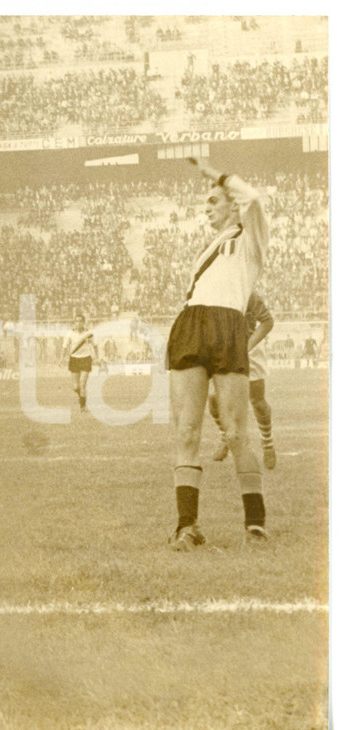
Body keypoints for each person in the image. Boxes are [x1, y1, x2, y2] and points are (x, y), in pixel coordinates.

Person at [166, 158, 269, 551]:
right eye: (206, 202)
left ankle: (255, 523)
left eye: (213, 201)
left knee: (236, 431)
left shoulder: (249, 236)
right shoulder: (205, 249)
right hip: (192, 325)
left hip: (227, 327)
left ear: (231, 203)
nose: (207, 208)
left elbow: (254, 197)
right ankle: (186, 527)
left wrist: (215, 173)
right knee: (188, 430)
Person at [208, 291, 276, 469]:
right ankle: (225, 437)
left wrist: (247, 346)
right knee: (214, 400)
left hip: (249, 350)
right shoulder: (214, 294)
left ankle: (267, 444)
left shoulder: (248, 293)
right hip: (224, 350)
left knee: (257, 400)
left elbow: (268, 321)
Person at [61, 313, 96, 412]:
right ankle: (81, 395)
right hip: (74, 360)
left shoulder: (88, 333)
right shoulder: (70, 334)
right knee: (76, 387)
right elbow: (64, 346)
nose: (79, 323)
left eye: (81, 321)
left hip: (86, 359)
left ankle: (82, 407)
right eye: (77, 321)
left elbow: (94, 345)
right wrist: (61, 358)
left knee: (82, 384)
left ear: (84, 322)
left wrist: (96, 356)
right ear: (74, 323)